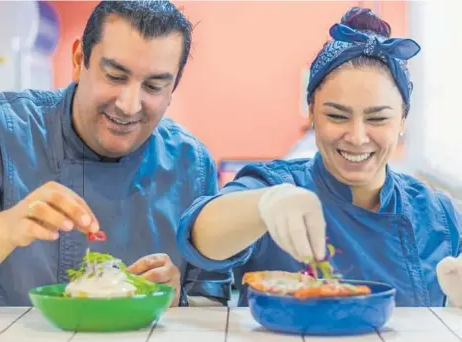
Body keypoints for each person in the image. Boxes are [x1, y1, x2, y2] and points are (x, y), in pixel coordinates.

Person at [176, 7, 462, 307]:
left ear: (403, 120)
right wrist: (265, 205)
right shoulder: (276, 184)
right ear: (312, 113)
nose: (357, 136)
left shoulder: (438, 214)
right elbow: (202, 237)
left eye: (377, 119)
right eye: (337, 116)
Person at [0, 0, 232, 307]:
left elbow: (213, 305)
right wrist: (5, 229)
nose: (129, 105)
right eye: (115, 76)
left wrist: (179, 302)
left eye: (153, 86)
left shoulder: (192, 165)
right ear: (78, 60)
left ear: (172, 90)